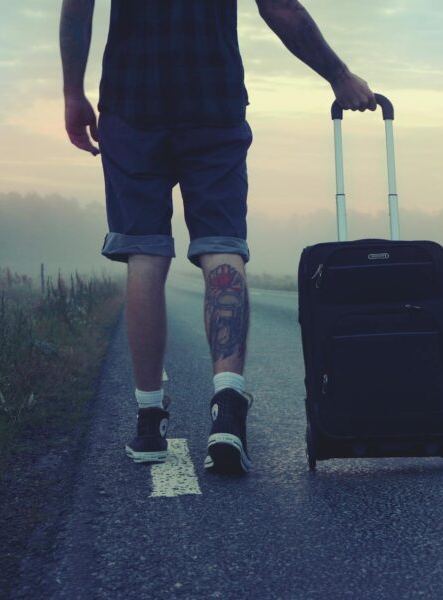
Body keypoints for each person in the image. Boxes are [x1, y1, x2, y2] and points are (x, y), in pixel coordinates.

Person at [60, 0, 375, 474]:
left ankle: (149, 421)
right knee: (221, 246)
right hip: (213, 101)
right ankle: (227, 408)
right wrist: (337, 73)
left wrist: (71, 93)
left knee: (144, 253)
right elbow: (281, 9)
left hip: (130, 103)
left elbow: (77, 10)